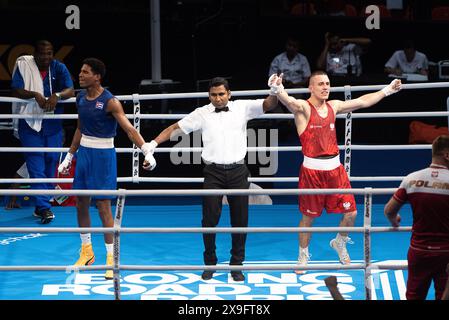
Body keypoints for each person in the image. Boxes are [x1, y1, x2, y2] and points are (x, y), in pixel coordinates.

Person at [144, 77, 278, 281]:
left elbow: (268, 105)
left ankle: (236, 264)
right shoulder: (202, 114)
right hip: (213, 172)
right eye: (214, 95)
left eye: (221, 94)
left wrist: (275, 90)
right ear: (209, 96)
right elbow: (174, 128)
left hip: (238, 171)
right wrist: (153, 144)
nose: (218, 99)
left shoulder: (242, 107)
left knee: (240, 220)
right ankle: (210, 263)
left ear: (229, 94)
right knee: (208, 220)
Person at [268, 71, 401, 274]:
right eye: (320, 84)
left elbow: (363, 101)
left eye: (328, 83)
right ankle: (303, 256)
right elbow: (290, 102)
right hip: (312, 172)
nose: (325, 87)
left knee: (351, 213)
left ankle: (339, 242)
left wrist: (388, 90)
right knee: (308, 218)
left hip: (335, 171)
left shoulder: (334, 106)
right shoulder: (304, 107)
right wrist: (278, 89)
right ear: (311, 87)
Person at [57, 58, 156, 280]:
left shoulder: (111, 102)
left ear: (97, 76)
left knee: (103, 207)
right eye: (80, 71)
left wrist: (146, 151)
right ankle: (87, 252)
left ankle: (111, 258)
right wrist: (69, 156)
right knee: (81, 202)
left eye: (85, 72)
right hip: (84, 155)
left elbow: (129, 130)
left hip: (103, 157)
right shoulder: (81, 97)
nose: (80, 75)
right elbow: (80, 128)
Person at [11, 40, 75, 224]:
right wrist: (34, 94)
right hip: (29, 124)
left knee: (51, 163)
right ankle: (45, 207)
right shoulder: (24, 65)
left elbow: (70, 90)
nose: (46, 57)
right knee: (35, 165)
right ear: (35, 54)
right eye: (42, 53)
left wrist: (57, 95)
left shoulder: (58, 67)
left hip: (53, 124)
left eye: (49, 53)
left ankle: (41, 205)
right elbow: (15, 90)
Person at [384, 134, 449, 300]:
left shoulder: (412, 179)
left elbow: (389, 210)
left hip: (419, 251)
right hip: (446, 252)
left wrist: (394, 220)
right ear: (446, 155)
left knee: (414, 296)